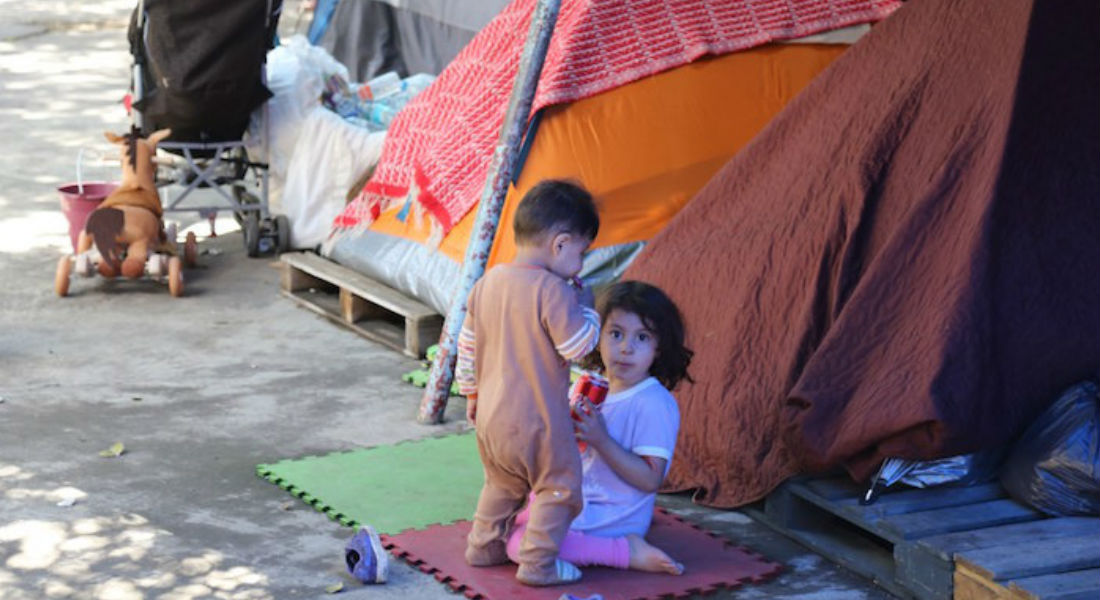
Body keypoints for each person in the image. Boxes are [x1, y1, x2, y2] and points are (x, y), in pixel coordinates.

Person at [456, 180, 601, 586]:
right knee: (559, 488)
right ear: (560, 244)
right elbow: (577, 346)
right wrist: (587, 309)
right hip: (540, 423)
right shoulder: (555, 291)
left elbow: (465, 349)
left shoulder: (486, 284)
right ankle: (538, 563)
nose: (581, 264)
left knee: (502, 483)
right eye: (582, 253)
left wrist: (471, 394)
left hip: (490, 418)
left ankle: (483, 546)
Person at [506, 280, 694, 575]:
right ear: (598, 336)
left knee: (524, 543)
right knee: (502, 516)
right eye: (616, 334)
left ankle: (624, 551)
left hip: (613, 515)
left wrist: (601, 439)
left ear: (659, 348)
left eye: (642, 338)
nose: (626, 348)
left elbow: (650, 479)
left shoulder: (653, 403)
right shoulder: (591, 385)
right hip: (576, 498)